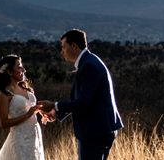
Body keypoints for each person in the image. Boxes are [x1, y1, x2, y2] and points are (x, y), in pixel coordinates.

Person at [37, 29, 123, 160]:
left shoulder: (88, 65)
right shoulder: (89, 61)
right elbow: (85, 100)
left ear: (74, 46)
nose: (62, 52)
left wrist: (54, 105)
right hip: (101, 129)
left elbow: (83, 102)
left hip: (95, 131)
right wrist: (56, 112)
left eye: (63, 47)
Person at [0, 54, 47, 160]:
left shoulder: (27, 89)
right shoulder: (4, 94)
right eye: (19, 67)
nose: (24, 70)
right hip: (20, 140)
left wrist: (42, 112)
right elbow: (3, 123)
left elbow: (31, 109)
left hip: (34, 136)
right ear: (9, 71)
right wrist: (28, 114)